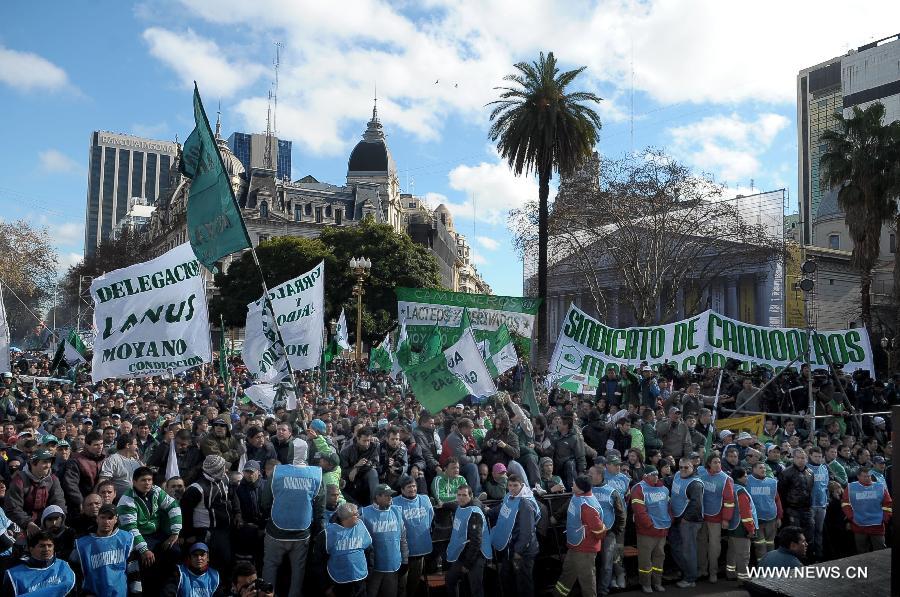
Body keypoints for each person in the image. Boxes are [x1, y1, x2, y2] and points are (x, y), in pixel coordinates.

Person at [260, 449, 325, 597]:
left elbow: (265, 502)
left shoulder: (277, 472)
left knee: (270, 566)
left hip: (275, 532)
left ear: (289, 453)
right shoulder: (316, 474)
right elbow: (319, 509)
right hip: (302, 533)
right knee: (298, 570)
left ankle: (266, 595)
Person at [116, 466, 182, 594]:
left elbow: (173, 506)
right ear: (134, 482)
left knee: (175, 550)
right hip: (139, 536)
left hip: (157, 533)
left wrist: (175, 532)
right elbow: (131, 529)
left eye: (149, 480)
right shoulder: (127, 500)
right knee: (146, 561)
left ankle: (168, 584)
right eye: (143, 480)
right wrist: (144, 549)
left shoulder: (156, 491)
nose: (147, 483)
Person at [180, 454, 240, 570]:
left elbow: (233, 497)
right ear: (216, 471)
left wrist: (238, 513)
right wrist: (188, 534)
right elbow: (185, 513)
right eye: (223, 468)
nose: (226, 470)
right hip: (206, 533)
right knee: (211, 564)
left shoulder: (225, 479)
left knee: (227, 561)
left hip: (225, 530)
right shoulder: (196, 489)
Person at [554, 476, 605, 597]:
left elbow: (599, 530)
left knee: (587, 579)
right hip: (576, 546)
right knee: (568, 572)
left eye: (575, 484)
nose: (572, 486)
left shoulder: (587, 506)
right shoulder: (577, 496)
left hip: (585, 549)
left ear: (581, 490)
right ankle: (558, 594)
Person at [489, 473, 539, 597]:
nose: (512, 489)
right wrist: (489, 511)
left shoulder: (525, 504)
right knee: (508, 579)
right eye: (509, 485)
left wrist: (518, 551)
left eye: (515, 486)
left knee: (524, 584)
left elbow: (527, 532)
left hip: (523, 551)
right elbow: (503, 507)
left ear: (521, 485)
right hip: (510, 547)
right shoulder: (509, 497)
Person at [72, 504, 135, 597]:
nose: (106, 521)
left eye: (110, 518)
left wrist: (136, 592)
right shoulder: (82, 544)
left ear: (116, 519)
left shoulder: (126, 539)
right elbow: (74, 572)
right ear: (97, 519)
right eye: (103, 517)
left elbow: (133, 570)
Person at [5, 448, 66, 536]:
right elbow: (13, 508)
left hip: (48, 521)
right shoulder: (19, 481)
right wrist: (28, 523)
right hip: (22, 524)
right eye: (44, 462)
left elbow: (59, 502)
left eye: (49, 462)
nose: (48, 465)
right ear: (33, 463)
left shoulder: (53, 479)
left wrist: (58, 519)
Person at [361, 484, 407, 597]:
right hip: (373, 568)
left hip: (393, 565)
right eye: (387, 495)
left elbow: (403, 538)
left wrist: (405, 560)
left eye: (391, 495)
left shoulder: (396, 511)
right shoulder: (363, 513)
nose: (390, 498)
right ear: (377, 497)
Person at [392, 474, 433, 597]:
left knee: (414, 582)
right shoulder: (395, 503)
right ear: (402, 489)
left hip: (420, 548)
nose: (412, 489)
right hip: (402, 552)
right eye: (409, 487)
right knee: (401, 584)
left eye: (414, 486)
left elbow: (431, 517)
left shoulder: (425, 499)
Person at [445, 485, 491, 597]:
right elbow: (454, 505)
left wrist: (467, 564)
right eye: (459, 495)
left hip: (476, 555)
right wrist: (444, 504)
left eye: (464, 495)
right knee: (450, 580)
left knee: (476, 589)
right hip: (463, 552)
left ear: (471, 496)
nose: (461, 498)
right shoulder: (460, 507)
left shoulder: (474, 513)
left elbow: (476, 542)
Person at [630, 466, 670, 593]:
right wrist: (650, 525)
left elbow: (669, 507)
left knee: (660, 557)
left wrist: (670, 520)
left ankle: (657, 582)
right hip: (647, 532)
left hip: (662, 530)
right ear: (645, 476)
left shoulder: (664, 489)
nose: (655, 476)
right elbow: (639, 511)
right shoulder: (638, 488)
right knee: (645, 559)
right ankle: (646, 583)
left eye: (657, 474)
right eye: (652, 474)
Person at [588, 464, 625, 597]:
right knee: (591, 563)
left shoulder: (612, 491)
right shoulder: (587, 489)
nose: (589, 476)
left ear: (599, 475)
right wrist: (557, 516)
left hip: (608, 533)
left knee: (606, 564)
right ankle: (591, 590)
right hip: (590, 534)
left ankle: (603, 591)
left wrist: (616, 531)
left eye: (591, 474)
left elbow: (621, 514)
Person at [3, 530, 76, 596]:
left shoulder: (64, 566)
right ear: (31, 549)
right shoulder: (13, 575)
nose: (46, 549)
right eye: (42, 546)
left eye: (50, 545)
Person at [697, 454, 734, 583]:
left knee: (714, 546)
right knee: (701, 544)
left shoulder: (726, 479)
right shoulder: (702, 473)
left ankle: (713, 572)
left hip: (716, 518)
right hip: (702, 515)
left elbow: (729, 501)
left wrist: (726, 519)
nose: (718, 464)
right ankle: (702, 570)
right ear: (708, 464)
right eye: (715, 462)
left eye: (719, 462)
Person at [669, 457, 704, 589]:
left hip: (689, 521)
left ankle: (690, 578)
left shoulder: (695, 484)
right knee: (676, 547)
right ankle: (685, 572)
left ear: (693, 467)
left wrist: (685, 519)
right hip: (677, 518)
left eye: (686, 467)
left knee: (688, 550)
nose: (683, 470)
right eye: (681, 467)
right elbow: (669, 481)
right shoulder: (678, 475)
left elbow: (696, 505)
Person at [325, 502, 373, 597]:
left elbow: (369, 550)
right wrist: (326, 586)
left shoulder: (361, 525)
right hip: (339, 582)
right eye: (356, 514)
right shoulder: (328, 533)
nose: (359, 516)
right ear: (346, 518)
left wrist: (369, 572)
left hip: (360, 579)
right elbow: (320, 561)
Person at [842, 466, 892, 553]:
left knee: (880, 550)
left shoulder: (880, 487)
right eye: (865, 476)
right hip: (859, 524)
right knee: (861, 552)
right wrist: (851, 517)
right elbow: (845, 504)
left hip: (877, 525)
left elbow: (888, 504)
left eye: (869, 476)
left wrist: (885, 517)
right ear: (858, 476)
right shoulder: (850, 488)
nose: (868, 478)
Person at [778, 448, 814, 558]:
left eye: (803, 458)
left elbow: (810, 490)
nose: (800, 460)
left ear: (806, 459)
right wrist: (784, 511)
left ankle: (808, 558)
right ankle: (794, 560)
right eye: (798, 458)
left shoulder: (810, 472)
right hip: (792, 509)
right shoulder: (786, 472)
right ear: (793, 458)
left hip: (807, 509)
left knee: (809, 534)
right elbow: (781, 493)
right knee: (795, 537)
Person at [725, 468, 757, 583]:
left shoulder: (731, 488)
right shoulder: (741, 491)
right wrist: (751, 529)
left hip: (732, 526)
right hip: (741, 528)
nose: (747, 478)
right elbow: (746, 513)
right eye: (745, 476)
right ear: (739, 478)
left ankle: (730, 573)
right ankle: (743, 579)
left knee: (732, 552)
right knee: (743, 555)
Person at [62, 431, 105, 517]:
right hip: (81, 505)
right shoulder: (76, 461)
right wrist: (81, 502)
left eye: (101, 444)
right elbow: (71, 484)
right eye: (96, 445)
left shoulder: (105, 458)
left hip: (100, 503)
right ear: (87, 445)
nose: (100, 447)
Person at [747, 461, 782, 561]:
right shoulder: (747, 480)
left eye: (764, 468)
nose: (763, 470)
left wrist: (779, 517)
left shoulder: (772, 482)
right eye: (761, 468)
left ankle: (770, 568)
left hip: (771, 518)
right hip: (756, 519)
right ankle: (762, 570)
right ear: (753, 469)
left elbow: (777, 500)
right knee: (760, 547)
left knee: (771, 545)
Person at [340, 426, 381, 506]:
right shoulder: (346, 451)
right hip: (350, 482)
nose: (367, 443)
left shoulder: (373, 447)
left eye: (368, 440)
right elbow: (343, 470)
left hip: (365, 478)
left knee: (373, 472)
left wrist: (357, 468)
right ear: (358, 439)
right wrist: (355, 467)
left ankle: (375, 504)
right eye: (364, 441)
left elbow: (374, 464)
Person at [98, 434, 142, 499]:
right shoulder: (113, 459)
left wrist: (139, 461)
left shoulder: (135, 461)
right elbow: (103, 480)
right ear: (127, 445)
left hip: (137, 500)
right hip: (119, 501)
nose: (137, 447)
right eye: (135, 444)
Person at [807, 446, 829, 560]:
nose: (818, 459)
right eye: (815, 456)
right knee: (810, 532)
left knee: (819, 531)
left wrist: (826, 501)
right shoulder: (806, 468)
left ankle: (819, 556)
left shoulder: (824, 468)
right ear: (810, 456)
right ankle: (810, 556)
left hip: (822, 505)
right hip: (810, 505)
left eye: (820, 457)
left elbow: (826, 486)